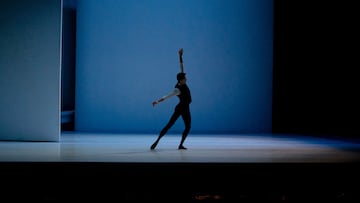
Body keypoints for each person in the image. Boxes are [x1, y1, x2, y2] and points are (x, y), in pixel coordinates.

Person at [150, 48, 192, 150]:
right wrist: (157, 101)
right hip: (180, 108)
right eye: (185, 78)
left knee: (188, 127)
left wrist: (180, 56)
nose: (186, 79)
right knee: (169, 125)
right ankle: (157, 140)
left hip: (186, 108)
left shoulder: (182, 81)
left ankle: (181, 145)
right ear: (181, 80)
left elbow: (182, 67)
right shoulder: (177, 89)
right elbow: (167, 96)